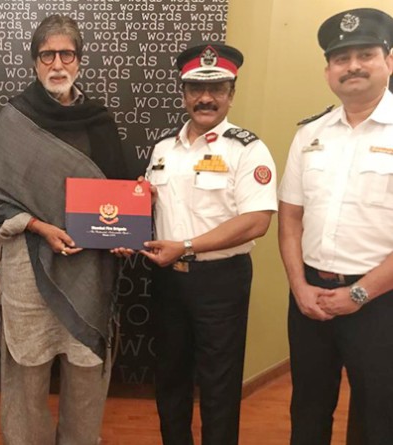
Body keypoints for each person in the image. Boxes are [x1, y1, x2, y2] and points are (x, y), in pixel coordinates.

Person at [0, 15, 128, 445]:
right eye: (47, 55)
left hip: (90, 268)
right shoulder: (14, 120)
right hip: (28, 270)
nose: (57, 64)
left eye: (67, 54)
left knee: (84, 373)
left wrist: (125, 234)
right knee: (26, 374)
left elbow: (119, 192)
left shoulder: (99, 120)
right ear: (35, 62)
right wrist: (40, 227)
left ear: (79, 61)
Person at [141, 43, 277, 445]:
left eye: (217, 88)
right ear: (183, 94)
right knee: (170, 379)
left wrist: (184, 245)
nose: (206, 98)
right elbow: (150, 206)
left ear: (231, 94)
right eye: (196, 89)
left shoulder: (248, 149)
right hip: (168, 282)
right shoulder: (163, 148)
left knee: (219, 385)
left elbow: (256, 221)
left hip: (221, 281)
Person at [278, 8, 393, 445]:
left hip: (380, 303)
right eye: (341, 59)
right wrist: (298, 286)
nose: (353, 67)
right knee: (307, 408)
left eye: (365, 54)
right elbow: (290, 218)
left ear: (390, 61)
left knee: (379, 415)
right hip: (310, 300)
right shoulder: (310, 134)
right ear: (328, 71)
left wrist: (360, 293)